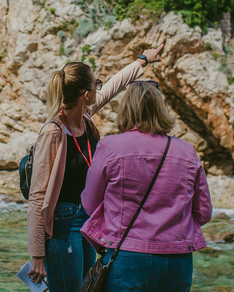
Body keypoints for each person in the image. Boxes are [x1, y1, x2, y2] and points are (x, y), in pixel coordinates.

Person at [27, 44, 165, 291]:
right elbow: (38, 196)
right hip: (63, 222)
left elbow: (115, 85)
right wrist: (37, 255)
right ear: (85, 94)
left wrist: (143, 61)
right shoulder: (53, 132)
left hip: (87, 219)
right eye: (95, 85)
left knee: (87, 287)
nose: (99, 87)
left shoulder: (86, 117)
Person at [80, 80, 212, 292]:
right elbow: (204, 213)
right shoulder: (187, 151)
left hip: (128, 256)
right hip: (178, 260)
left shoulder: (110, 146)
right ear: (161, 110)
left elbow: (90, 204)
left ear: (126, 109)